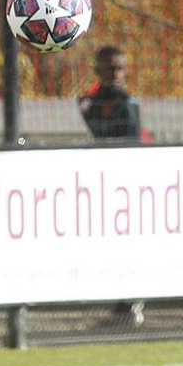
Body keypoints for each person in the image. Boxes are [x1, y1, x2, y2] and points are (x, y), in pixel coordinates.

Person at [79, 46, 147, 326]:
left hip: (131, 179)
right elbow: (96, 128)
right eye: (109, 68)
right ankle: (121, 302)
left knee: (129, 239)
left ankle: (131, 302)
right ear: (98, 70)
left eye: (119, 68)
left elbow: (130, 138)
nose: (115, 74)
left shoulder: (128, 102)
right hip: (105, 179)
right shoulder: (90, 100)